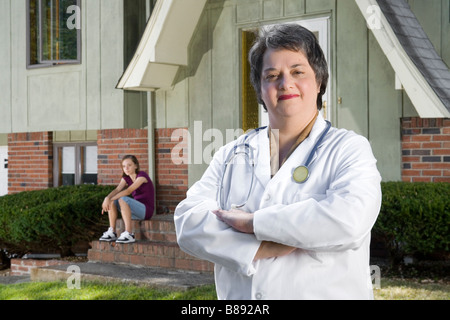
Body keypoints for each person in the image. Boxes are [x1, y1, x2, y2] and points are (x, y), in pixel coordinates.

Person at [174, 24, 382, 300]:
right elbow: (188, 222)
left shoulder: (349, 149)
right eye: (272, 75)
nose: (285, 84)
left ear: (319, 82)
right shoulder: (231, 154)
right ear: (260, 90)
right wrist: (259, 248)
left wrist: (253, 223)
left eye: (298, 72)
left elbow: (347, 221)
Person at [99, 155, 155, 244]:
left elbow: (128, 191)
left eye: (129, 165)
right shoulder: (126, 178)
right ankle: (112, 231)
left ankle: (129, 234)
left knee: (123, 199)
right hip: (134, 211)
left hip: (146, 211)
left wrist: (109, 199)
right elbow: (117, 189)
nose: (126, 168)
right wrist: (108, 198)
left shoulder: (142, 176)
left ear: (136, 166)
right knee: (113, 200)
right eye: (124, 166)